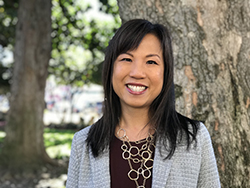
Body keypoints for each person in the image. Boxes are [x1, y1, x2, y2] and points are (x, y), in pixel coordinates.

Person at [66, 19, 221, 188]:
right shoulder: (83, 143)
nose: (137, 73)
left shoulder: (195, 138)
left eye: (151, 62)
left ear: (165, 73)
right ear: (111, 68)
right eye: (126, 59)